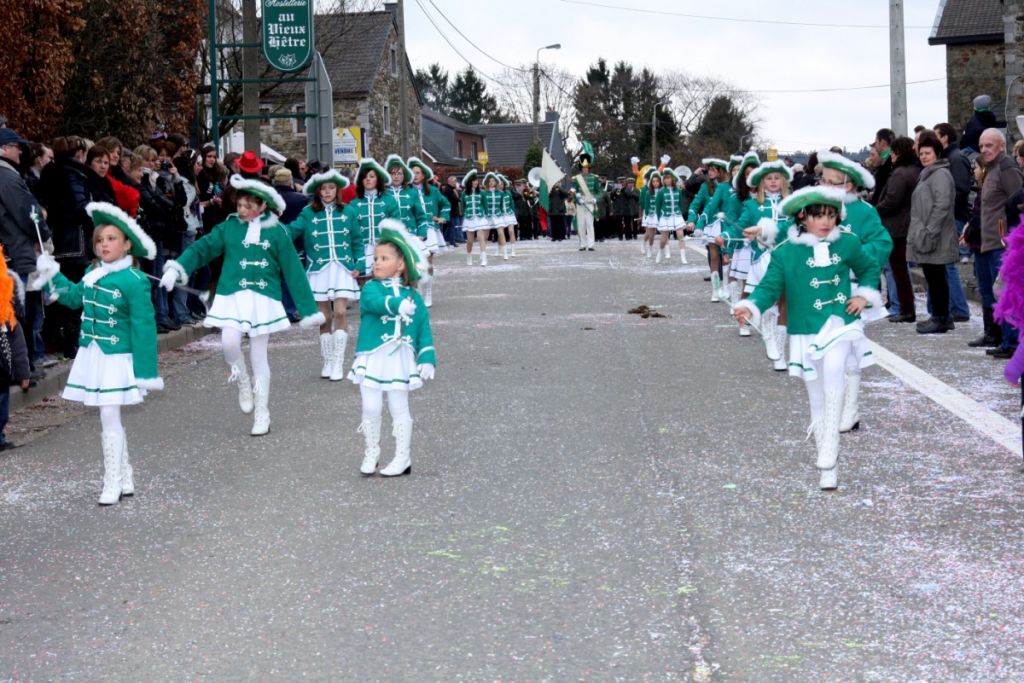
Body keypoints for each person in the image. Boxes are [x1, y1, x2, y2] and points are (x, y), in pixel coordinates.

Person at [733, 186, 884, 490]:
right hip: (805, 329)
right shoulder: (787, 251)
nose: (826, 222)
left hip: (841, 324)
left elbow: (869, 269)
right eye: (818, 215)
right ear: (803, 217)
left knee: (834, 375)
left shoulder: (849, 243)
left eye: (831, 215)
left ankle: (829, 452)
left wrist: (864, 297)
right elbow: (769, 288)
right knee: (816, 396)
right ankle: (827, 467)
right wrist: (750, 307)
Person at [160, 175, 325, 436]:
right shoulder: (229, 228)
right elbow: (203, 248)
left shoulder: (278, 231)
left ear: (262, 206)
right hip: (232, 294)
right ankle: (242, 381)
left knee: (259, 356)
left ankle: (262, 412)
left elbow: (294, 271)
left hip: (263, 298)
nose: (242, 210)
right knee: (228, 343)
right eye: (239, 205)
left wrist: (307, 310)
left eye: (248, 206)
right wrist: (178, 267)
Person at [32, 202, 163, 505]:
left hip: (118, 357)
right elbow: (75, 298)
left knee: (108, 413)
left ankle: (112, 481)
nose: (104, 244)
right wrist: (53, 273)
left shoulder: (134, 280)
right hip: (93, 354)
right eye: (100, 240)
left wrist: (146, 371)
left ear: (127, 243)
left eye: (112, 239)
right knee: (110, 415)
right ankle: (125, 474)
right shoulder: (93, 273)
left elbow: (144, 327)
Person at [350, 219, 435, 477]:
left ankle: (403, 457)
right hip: (373, 356)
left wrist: (428, 358)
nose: (376, 262)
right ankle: (372, 451)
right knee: (371, 407)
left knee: (399, 407)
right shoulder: (370, 288)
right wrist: (395, 305)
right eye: (376, 258)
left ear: (400, 266)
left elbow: (423, 328)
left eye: (384, 258)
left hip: (400, 358)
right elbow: (374, 303)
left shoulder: (414, 296)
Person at [285, 170, 360, 381]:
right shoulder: (308, 213)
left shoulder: (349, 211)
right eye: (323, 189)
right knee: (324, 317)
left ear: (337, 190)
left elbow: (357, 239)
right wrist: (270, 227)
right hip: (319, 268)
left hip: (342, 267)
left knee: (340, 313)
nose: (327, 192)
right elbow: (291, 231)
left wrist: (360, 263)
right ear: (318, 192)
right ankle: (327, 360)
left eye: (331, 188)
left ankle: (338, 362)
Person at [0, 127, 50, 378]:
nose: (21, 151)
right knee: (15, 312)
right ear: (4, 149)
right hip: (14, 251)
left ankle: (21, 366)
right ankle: (18, 368)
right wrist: (42, 231)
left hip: (10, 251)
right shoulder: (7, 177)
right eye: (16, 146)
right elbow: (25, 212)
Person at [974, 129, 1024, 358]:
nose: (984, 150)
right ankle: (1001, 338)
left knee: (1006, 294)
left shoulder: (1006, 168)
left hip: (1002, 244)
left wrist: (1011, 237)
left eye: (989, 145)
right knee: (990, 293)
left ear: (1001, 146)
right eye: (982, 146)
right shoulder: (990, 169)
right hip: (987, 242)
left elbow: (1018, 202)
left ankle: (1012, 342)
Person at [738, 160, 793, 365]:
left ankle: (780, 350)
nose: (772, 181)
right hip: (762, 258)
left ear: (784, 180)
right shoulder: (753, 205)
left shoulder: (792, 204)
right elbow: (740, 226)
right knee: (771, 300)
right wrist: (728, 235)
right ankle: (768, 330)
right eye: (768, 178)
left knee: (784, 302)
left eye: (777, 178)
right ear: (761, 183)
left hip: (788, 257)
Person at [907, 131, 959, 334]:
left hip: (935, 236)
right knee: (933, 275)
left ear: (937, 153)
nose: (924, 157)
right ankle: (940, 315)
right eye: (921, 153)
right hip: (927, 234)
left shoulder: (940, 174)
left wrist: (930, 231)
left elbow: (942, 205)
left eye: (928, 153)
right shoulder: (928, 174)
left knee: (937, 277)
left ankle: (941, 317)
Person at [874, 136, 921, 322]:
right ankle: (905, 307)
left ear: (898, 152)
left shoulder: (900, 173)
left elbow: (892, 200)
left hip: (897, 226)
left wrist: (875, 209)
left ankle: (906, 309)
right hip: (905, 223)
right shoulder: (915, 170)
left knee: (898, 270)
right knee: (900, 270)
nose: (891, 155)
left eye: (893, 152)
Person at [343, 158, 400, 275]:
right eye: (365, 177)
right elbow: (350, 232)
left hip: (385, 247)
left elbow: (396, 226)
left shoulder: (389, 200)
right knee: (364, 284)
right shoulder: (353, 204)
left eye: (372, 176)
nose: (368, 179)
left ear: (378, 179)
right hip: (362, 251)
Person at [0, 244, 31, 451]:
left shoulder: (7, 319)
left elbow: (18, 344)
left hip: (2, 368)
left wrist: (23, 372)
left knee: (2, 402)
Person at [408, 157, 448, 305]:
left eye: (418, 173)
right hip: (414, 231)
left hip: (430, 230)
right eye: (412, 173)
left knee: (428, 262)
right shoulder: (406, 192)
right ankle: (417, 290)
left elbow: (446, 204)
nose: (415, 176)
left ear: (423, 175)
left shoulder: (433, 191)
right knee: (415, 262)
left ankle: (428, 291)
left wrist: (442, 217)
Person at [654, 168, 687, 264]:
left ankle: (683, 257)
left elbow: (680, 204)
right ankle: (660, 252)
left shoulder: (678, 191)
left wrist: (680, 213)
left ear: (672, 179)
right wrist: (660, 219)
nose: (666, 180)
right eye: (664, 178)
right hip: (665, 216)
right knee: (664, 237)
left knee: (680, 235)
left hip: (676, 215)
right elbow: (658, 206)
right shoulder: (661, 192)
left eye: (668, 178)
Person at [572, 142, 602, 251]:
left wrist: (595, 199)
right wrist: (577, 197)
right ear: (581, 168)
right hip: (581, 203)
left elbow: (599, 192)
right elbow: (573, 190)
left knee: (590, 224)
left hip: (590, 202)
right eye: (583, 167)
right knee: (581, 224)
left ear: (589, 167)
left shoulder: (594, 178)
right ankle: (582, 244)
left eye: (587, 167)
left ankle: (591, 244)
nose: (585, 169)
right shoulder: (576, 178)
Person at [460, 169, 490, 265]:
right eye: (473, 181)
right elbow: (463, 207)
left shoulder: (482, 193)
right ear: (469, 182)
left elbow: (485, 205)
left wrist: (485, 215)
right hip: (469, 218)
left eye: (477, 180)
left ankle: (484, 258)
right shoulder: (464, 194)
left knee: (481, 237)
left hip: (480, 217)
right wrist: (465, 216)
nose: (476, 182)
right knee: (470, 240)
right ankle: (469, 255)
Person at [639, 169, 662, 258]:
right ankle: (646, 245)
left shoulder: (662, 190)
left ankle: (665, 251)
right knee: (649, 234)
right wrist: (646, 214)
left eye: (657, 181)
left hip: (660, 213)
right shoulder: (646, 189)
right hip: (649, 213)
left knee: (664, 232)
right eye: (653, 181)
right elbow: (643, 202)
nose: (655, 183)